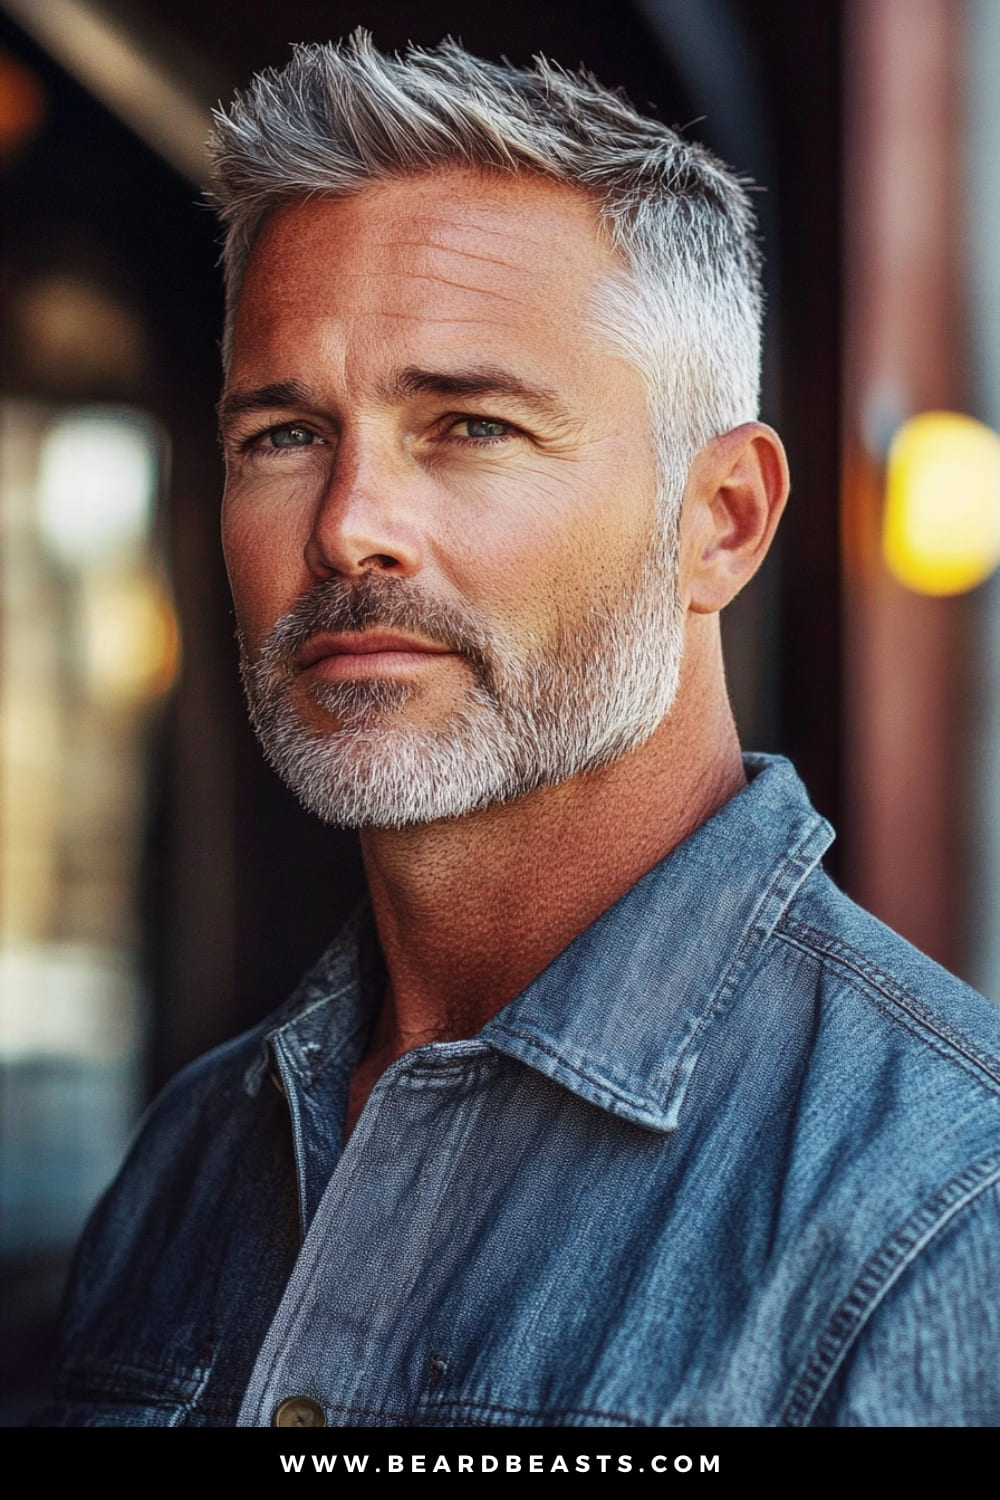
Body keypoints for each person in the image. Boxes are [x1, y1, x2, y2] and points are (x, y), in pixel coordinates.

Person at [39, 35, 999, 1429]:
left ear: (721, 520)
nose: (349, 525)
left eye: (472, 426)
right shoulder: (191, 1155)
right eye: (284, 436)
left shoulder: (944, 1210)